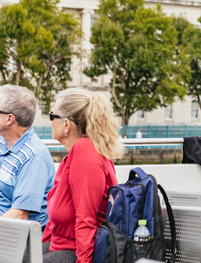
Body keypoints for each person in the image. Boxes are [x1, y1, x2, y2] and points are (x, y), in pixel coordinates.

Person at [40, 89, 123, 263]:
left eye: (51, 115)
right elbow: (54, 223)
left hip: (77, 251)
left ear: (66, 124)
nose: (50, 121)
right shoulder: (72, 156)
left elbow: (86, 220)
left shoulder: (85, 153)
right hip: (61, 244)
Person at [0, 85, 55, 227]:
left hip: (18, 238)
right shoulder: (4, 141)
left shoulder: (33, 157)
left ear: (9, 119)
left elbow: (20, 214)